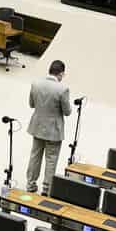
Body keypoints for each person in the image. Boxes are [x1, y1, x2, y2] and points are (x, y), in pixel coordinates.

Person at [26, 60, 72, 195]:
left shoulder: (35, 84)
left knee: (35, 156)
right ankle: (47, 188)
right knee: (51, 159)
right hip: (54, 131)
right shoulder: (63, 89)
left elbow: (31, 104)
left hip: (37, 126)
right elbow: (67, 112)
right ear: (61, 73)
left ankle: (30, 184)